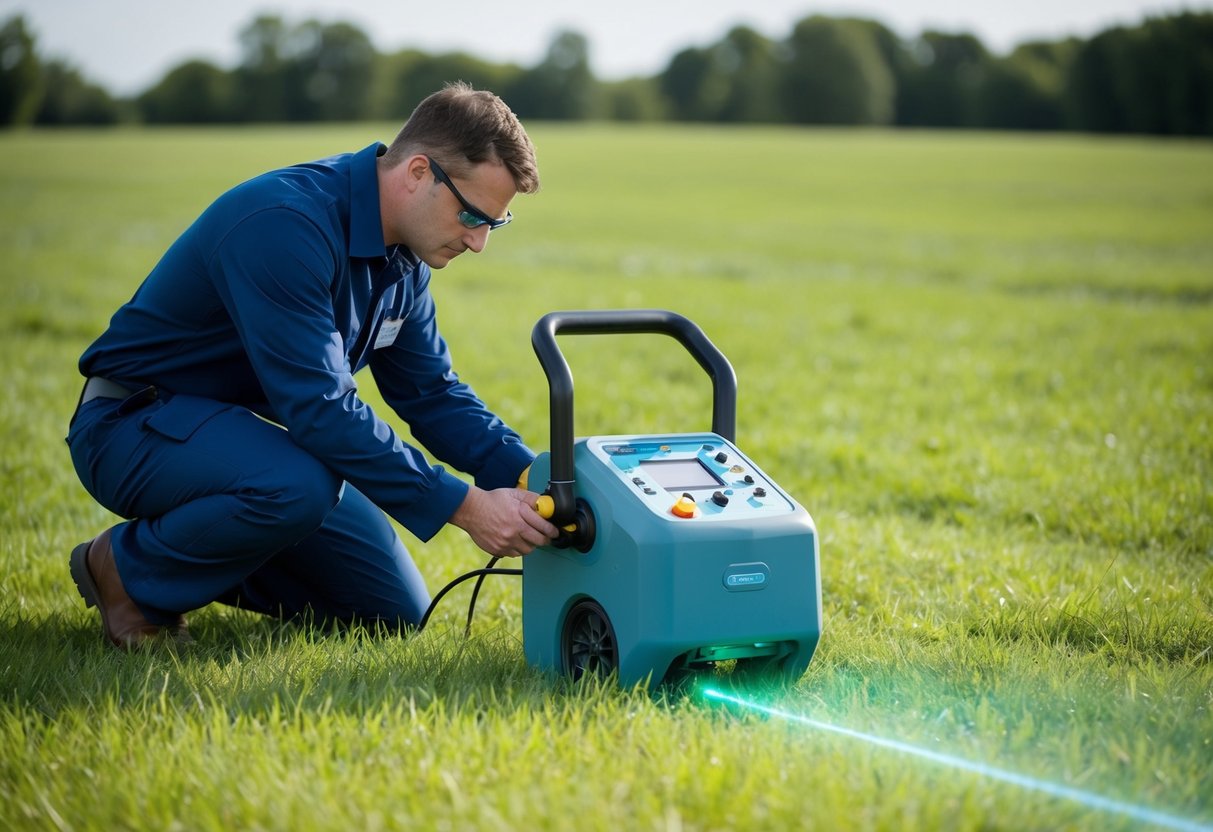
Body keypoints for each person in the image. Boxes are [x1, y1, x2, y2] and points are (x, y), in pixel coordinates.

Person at [66, 82, 559, 648]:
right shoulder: (284, 224)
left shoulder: (407, 256)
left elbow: (431, 393)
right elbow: (321, 410)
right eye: (472, 215)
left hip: (246, 447)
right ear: (418, 172)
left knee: (394, 612)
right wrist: (467, 507)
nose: (477, 242)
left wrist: (534, 477)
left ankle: (189, 563)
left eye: (493, 224)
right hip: (132, 424)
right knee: (298, 486)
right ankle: (127, 571)